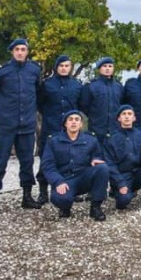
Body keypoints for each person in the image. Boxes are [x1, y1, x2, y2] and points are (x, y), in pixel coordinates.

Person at [0, 38, 43, 215]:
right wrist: (4, 103)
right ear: (12, 52)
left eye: (23, 49)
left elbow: (37, 93)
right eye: (17, 49)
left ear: (27, 52)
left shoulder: (34, 70)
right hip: (5, 125)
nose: (20, 52)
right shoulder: (1, 72)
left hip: (27, 126)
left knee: (27, 162)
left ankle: (27, 197)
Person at [41, 110, 109, 221]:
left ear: (81, 124)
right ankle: (65, 207)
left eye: (77, 120)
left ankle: (96, 207)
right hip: (65, 179)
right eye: (70, 119)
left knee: (102, 168)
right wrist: (58, 181)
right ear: (65, 124)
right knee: (61, 199)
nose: (74, 122)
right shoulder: (53, 141)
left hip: (83, 178)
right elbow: (47, 165)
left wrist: (95, 160)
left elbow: (98, 156)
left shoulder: (91, 140)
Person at [36, 54, 82, 205]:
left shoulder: (76, 85)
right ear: (56, 67)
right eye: (61, 65)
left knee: (71, 159)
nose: (64, 68)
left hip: (70, 131)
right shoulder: (47, 84)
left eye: (67, 66)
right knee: (46, 160)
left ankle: (72, 189)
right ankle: (43, 192)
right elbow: (40, 104)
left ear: (70, 68)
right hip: (50, 128)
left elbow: (79, 105)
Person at [104, 105, 141, 212]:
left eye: (129, 114)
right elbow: (110, 164)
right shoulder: (111, 139)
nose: (127, 117)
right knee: (123, 202)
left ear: (134, 118)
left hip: (138, 174)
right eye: (124, 114)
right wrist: (120, 183)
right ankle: (118, 191)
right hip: (122, 176)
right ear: (119, 118)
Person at [79, 57, 124, 147]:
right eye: (104, 66)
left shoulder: (118, 87)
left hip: (115, 129)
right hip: (96, 129)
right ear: (99, 69)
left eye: (110, 66)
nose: (107, 68)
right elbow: (84, 106)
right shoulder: (91, 86)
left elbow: (122, 104)